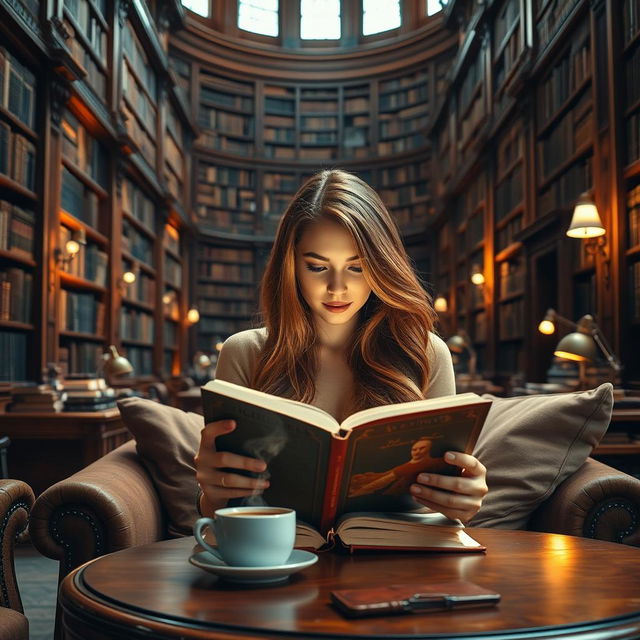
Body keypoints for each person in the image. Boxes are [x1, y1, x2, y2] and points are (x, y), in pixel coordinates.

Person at [195, 170, 488, 523]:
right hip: (283, 559)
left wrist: (461, 502)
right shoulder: (244, 353)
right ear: (291, 267)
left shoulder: (425, 353)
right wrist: (212, 491)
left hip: (394, 560)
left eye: (357, 267)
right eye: (317, 267)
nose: (337, 288)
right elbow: (220, 512)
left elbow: (442, 508)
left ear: (382, 266)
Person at [347, 436, 448, 498]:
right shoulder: (406, 466)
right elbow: (381, 480)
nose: (417, 452)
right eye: (414, 449)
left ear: (429, 449)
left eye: (422, 448)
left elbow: (380, 482)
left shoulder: (438, 462)